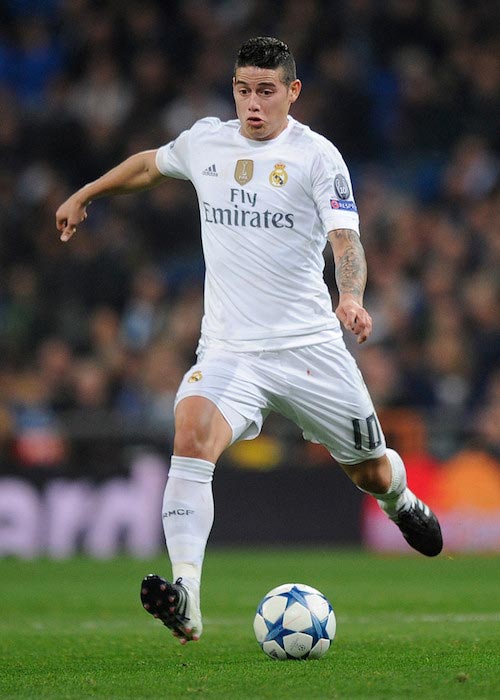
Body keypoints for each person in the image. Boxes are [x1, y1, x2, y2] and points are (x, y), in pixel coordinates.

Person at [56, 37, 442, 645]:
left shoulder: (318, 157)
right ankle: (186, 597)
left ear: (292, 92)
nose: (253, 105)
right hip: (232, 351)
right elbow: (149, 165)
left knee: (369, 473)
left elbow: (347, 242)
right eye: (243, 90)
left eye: (266, 91)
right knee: (191, 429)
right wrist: (86, 195)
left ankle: (401, 500)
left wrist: (350, 298)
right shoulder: (207, 141)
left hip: (310, 348)